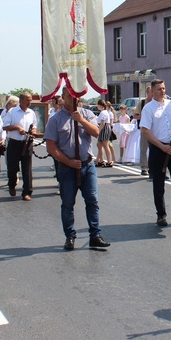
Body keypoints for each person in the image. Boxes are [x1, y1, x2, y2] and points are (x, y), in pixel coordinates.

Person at [45, 87, 110, 250]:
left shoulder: (87, 114)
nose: (73, 100)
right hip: (67, 168)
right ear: (63, 98)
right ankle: (70, 236)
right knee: (67, 203)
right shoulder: (55, 119)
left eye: (75, 96)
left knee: (92, 200)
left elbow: (96, 132)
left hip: (87, 165)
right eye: (69, 96)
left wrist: (81, 120)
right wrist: (67, 161)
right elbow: (51, 147)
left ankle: (95, 235)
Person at [140, 79, 171, 227]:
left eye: (163, 88)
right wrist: (162, 147)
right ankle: (161, 214)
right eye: (159, 89)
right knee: (158, 184)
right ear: (152, 91)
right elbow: (145, 131)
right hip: (158, 148)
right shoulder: (148, 109)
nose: (162, 91)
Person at [2, 92, 37, 200]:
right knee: (13, 167)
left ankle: (27, 192)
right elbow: (5, 126)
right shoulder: (12, 112)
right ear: (21, 100)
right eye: (27, 100)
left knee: (27, 168)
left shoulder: (31, 113)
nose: (29, 102)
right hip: (14, 143)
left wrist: (34, 131)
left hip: (27, 143)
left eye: (30, 100)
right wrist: (17, 128)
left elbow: (34, 125)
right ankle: (12, 185)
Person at [134, 86, 153, 176]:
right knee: (143, 149)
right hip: (144, 129)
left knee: (154, 149)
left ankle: (153, 167)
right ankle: (144, 167)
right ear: (147, 93)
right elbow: (135, 115)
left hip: (154, 130)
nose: (152, 94)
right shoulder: (141, 103)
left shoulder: (155, 103)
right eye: (150, 92)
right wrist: (142, 117)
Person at [95, 100, 115, 168]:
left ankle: (109, 161)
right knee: (99, 144)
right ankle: (101, 160)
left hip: (104, 128)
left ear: (100, 105)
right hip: (104, 127)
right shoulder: (103, 112)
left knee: (105, 145)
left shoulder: (103, 112)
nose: (97, 106)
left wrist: (98, 131)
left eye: (98, 105)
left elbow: (102, 123)